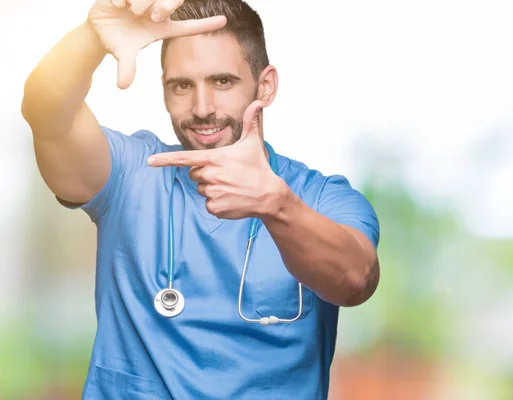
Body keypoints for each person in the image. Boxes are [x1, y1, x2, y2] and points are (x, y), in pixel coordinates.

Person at [21, 0, 381, 398]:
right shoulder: (130, 174)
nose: (202, 108)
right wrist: (91, 39)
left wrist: (277, 206)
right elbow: (46, 112)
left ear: (265, 85)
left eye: (222, 81)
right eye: (182, 85)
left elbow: (356, 281)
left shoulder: (321, 197)